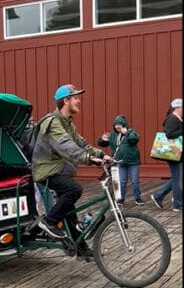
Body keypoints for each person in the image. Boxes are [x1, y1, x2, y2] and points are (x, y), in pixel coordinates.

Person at [32, 84, 111, 253]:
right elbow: (66, 145)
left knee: (69, 209)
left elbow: (81, 143)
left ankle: (79, 247)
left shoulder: (67, 123)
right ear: (65, 101)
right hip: (46, 171)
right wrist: (88, 159)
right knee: (74, 190)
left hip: (59, 170)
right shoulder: (53, 122)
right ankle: (48, 221)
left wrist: (102, 155)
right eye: (75, 97)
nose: (79, 100)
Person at [97, 115, 144, 205]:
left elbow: (134, 139)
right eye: (116, 125)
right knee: (122, 181)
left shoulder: (131, 132)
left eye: (120, 124)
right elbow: (101, 144)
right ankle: (120, 199)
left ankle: (138, 198)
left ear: (124, 124)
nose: (118, 126)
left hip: (133, 162)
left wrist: (126, 133)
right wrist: (102, 139)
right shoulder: (113, 135)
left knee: (135, 180)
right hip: (120, 162)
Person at [151, 98, 183, 212]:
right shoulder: (172, 119)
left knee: (178, 179)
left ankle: (159, 196)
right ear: (178, 108)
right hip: (173, 155)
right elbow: (169, 134)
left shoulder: (178, 119)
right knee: (177, 180)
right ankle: (177, 204)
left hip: (177, 154)